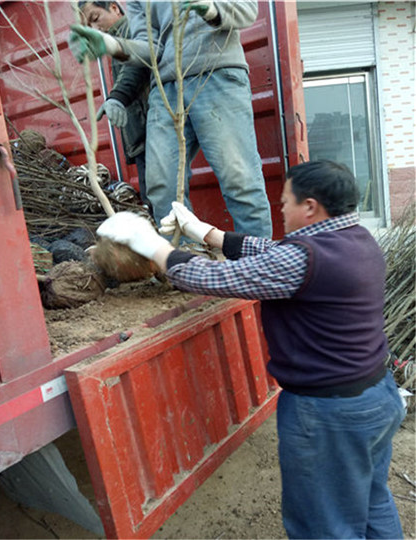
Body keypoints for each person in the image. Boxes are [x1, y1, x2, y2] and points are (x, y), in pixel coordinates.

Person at [96, 160, 406, 539]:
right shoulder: (357, 238)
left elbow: (212, 277)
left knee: (324, 523)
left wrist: (152, 245)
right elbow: (274, 251)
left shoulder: (305, 258)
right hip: (377, 398)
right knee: (372, 501)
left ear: (310, 207)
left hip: (329, 414)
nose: (280, 209)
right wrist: (208, 233)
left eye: (284, 202)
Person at [69, 0, 272, 237]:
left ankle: (257, 260)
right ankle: (184, 262)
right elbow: (151, 49)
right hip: (165, 90)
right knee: (161, 185)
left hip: (216, 72)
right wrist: (113, 44)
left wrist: (211, 8)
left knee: (238, 177)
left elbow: (247, 10)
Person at [76, 1, 152, 213]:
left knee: (157, 196)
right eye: (88, 26)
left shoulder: (131, 32)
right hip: (143, 135)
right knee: (152, 198)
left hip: (149, 133)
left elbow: (135, 72)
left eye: (95, 19)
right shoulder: (119, 37)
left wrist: (116, 98)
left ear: (114, 8)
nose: (95, 29)